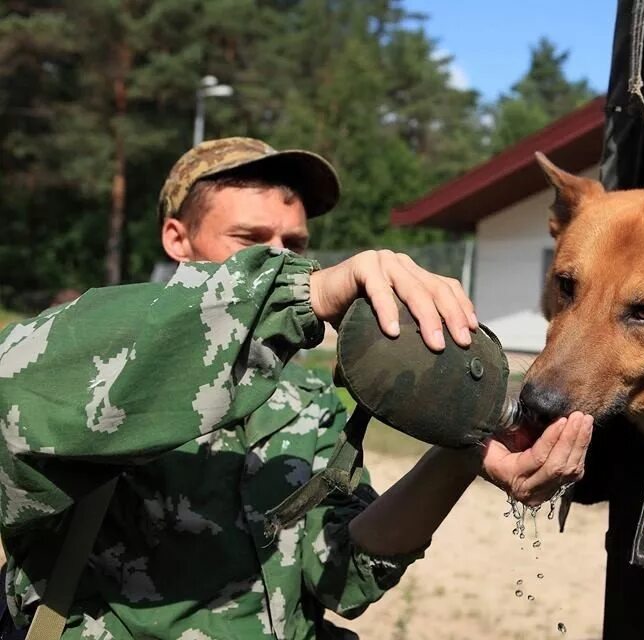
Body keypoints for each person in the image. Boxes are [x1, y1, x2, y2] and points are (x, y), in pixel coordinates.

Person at [0, 137, 593, 639]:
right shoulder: (92, 359)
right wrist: (297, 296)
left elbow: (342, 573)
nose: (283, 260)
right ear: (177, 239)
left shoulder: (305, 403)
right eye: (251, 239)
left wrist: (462, 448)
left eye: (297, 246)